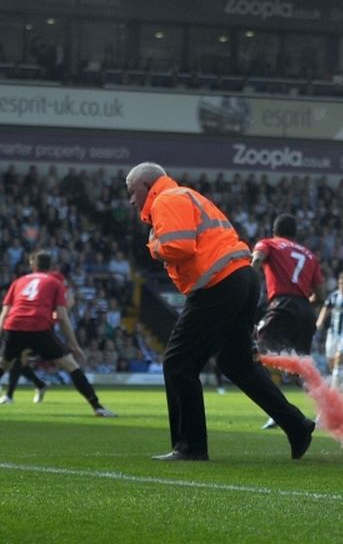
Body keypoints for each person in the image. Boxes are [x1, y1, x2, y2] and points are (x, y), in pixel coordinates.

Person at [125, 162, 314, 460]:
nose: (131, 200)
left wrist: (154, 246)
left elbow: (179, 247)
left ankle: (190, 447)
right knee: (236, 364)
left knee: (178, 363)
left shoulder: (165, 199)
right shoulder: (187, 196)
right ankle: (296, 424)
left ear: (147, 184)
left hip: (218, 283)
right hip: (240, 278)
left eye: (131, 191)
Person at [0, 251, 115, 417]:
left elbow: (4, 314)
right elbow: (62, 316)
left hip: (14, 326)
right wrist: (74, 346)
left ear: (33, 265)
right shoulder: (55, 282)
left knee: (4, 365)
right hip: (38, 327)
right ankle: (97, 407)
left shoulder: (19, 281)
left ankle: (16, 393)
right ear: (51, 267)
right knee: (71, 365)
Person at [251, 213, 326, 429]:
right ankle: (325, 409)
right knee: (298, 368)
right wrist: (302, 307)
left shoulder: (269, 243)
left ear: (274, 231)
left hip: (283, 305)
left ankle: (279, 410)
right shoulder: (310, 256)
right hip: (305, 311)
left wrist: (245, 283)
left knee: (259, 349)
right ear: (295, 234)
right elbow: (320, 295)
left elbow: (257, 260)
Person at [1, 264, 74, 404]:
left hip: (39, 326)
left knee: (17, 358)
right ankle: (38, 385)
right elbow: (70, 301)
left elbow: (68, 301)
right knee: (19, 359)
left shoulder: (51, 279)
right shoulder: (56, 280)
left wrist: (54, 314)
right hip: (38, 324)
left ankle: (11, 395)